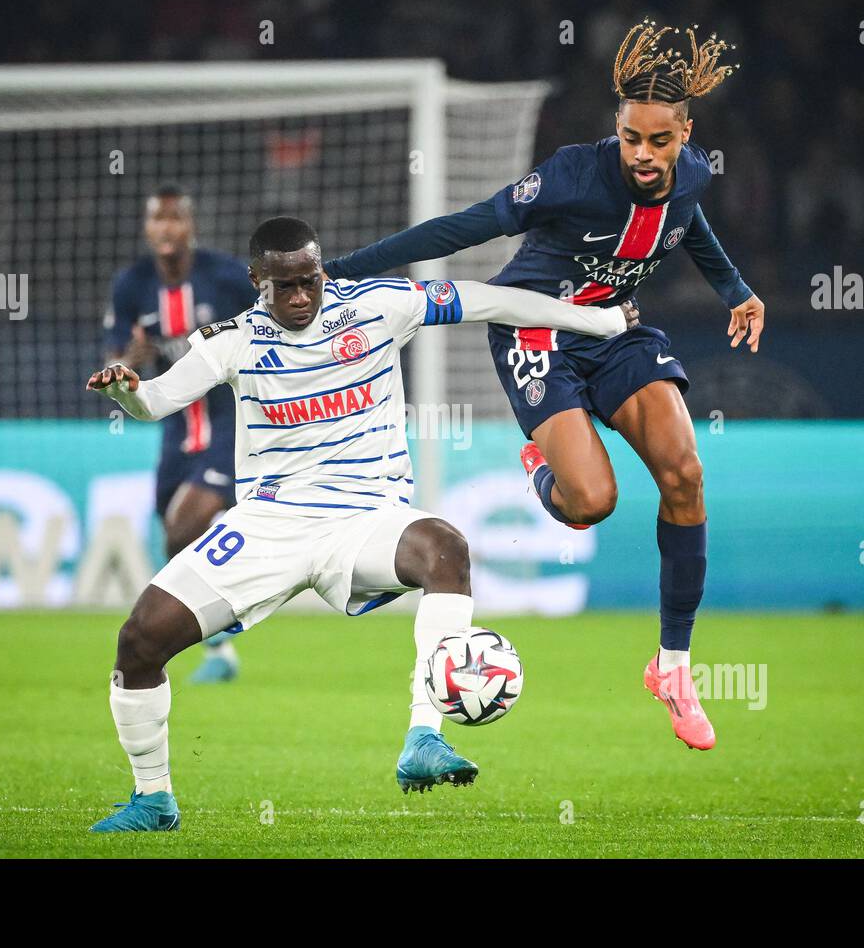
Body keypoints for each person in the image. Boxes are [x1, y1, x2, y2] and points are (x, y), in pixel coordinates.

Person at [85, 216, 639, 830]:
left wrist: (600, 319)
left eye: (310, 281)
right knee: (139, 641)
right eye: (283, 286)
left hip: (365, 517)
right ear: (255, 282)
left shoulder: (379, 305)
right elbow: (157, 398)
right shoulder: (232, 340)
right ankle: (154, 798)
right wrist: (126, 393)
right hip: (271, 524)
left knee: (445, 550)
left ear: (323, 271)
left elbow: (491, 301)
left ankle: (422, 738)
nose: (300, 297)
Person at [323, 20, 765, 751]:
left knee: (686, 473)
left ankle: (674, 667)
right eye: (632, 139)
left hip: (616, 334)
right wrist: (348, 268)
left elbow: (691, 225)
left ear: (686, 133)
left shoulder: (690, 177)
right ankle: (541, 467)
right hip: (538, 331)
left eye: (660, 140)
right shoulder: (570, 174)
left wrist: (737, 292)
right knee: (590, 502)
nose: (645, 155)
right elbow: (465, 227)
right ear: (616, 130)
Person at [104, 184, 255, 683]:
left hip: (230, 425)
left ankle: (227, 626)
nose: (166, 228)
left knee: (183, 528)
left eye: (175, 218)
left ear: (190, 225)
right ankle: (221, 645)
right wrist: (129, 362)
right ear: (147, 229)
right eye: (156, 219)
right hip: (175, 432)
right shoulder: (132, 285)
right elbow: (114, 361)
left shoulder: (228, 276)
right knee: (172, 536)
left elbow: (270, 323)